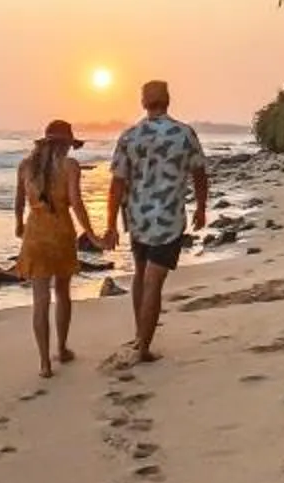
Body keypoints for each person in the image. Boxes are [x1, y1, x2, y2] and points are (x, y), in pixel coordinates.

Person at [105, 78, 208, 362]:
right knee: (153, 281)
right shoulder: (184, 133)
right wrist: (201, 208)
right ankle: (144, 348)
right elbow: (199, 173)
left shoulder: (130, 136)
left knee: (141, 274)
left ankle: (140, 337)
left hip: (137, 218)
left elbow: (117, 183)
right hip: (168, 219)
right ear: (168, 100)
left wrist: (110, 223)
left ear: (143, 103)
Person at [12, 118, 104, 378]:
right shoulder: (70, 166)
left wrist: (19, 225)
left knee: (39, 301)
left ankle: (44, 364)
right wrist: (92, 235)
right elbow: (76, 203)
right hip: (61, 234)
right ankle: (61, 349)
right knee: (62, 293)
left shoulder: (26, 166)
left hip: (35, 235)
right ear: (66, 144)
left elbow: (19, 202)